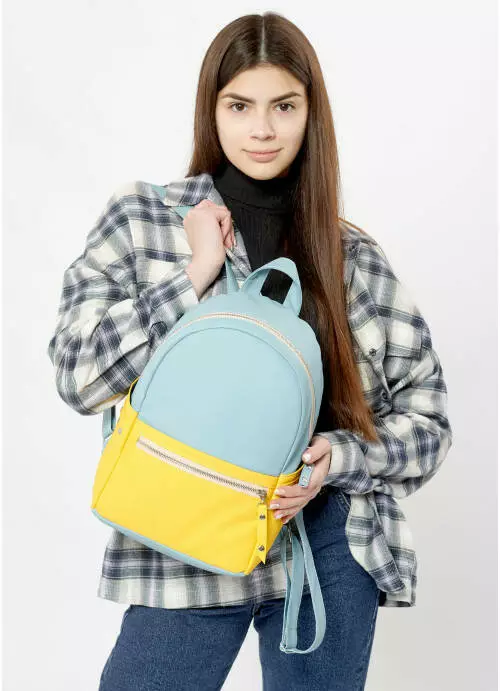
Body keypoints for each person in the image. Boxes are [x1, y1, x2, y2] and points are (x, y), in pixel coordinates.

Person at [46, 11, 453, 691]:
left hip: (326, 546)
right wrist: (193, 275)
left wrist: (337, 458)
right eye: (240, 106)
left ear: (311, 114)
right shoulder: (145, 220)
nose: (262, 129)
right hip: (184, 536)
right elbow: (77, 374)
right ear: (211, 111)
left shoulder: (353, 257)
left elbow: (429, 421)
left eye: (283, 106)